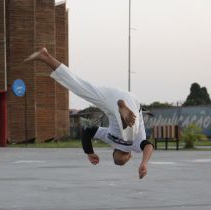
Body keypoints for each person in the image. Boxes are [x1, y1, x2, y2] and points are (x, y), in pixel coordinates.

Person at [25, 48, 153, 179]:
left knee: (79, 87)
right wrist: (144, 163)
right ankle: (124, 112)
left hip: (112, 99)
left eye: (117, 160)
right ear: (128, 156)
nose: (120, 159)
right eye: (120, 161)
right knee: (130, 133)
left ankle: (45, 57)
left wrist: (89, 151)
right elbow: (148, 145)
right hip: (129, 105)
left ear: (115, 151)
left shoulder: (110, 138)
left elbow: (88, 131)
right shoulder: (133, 145)